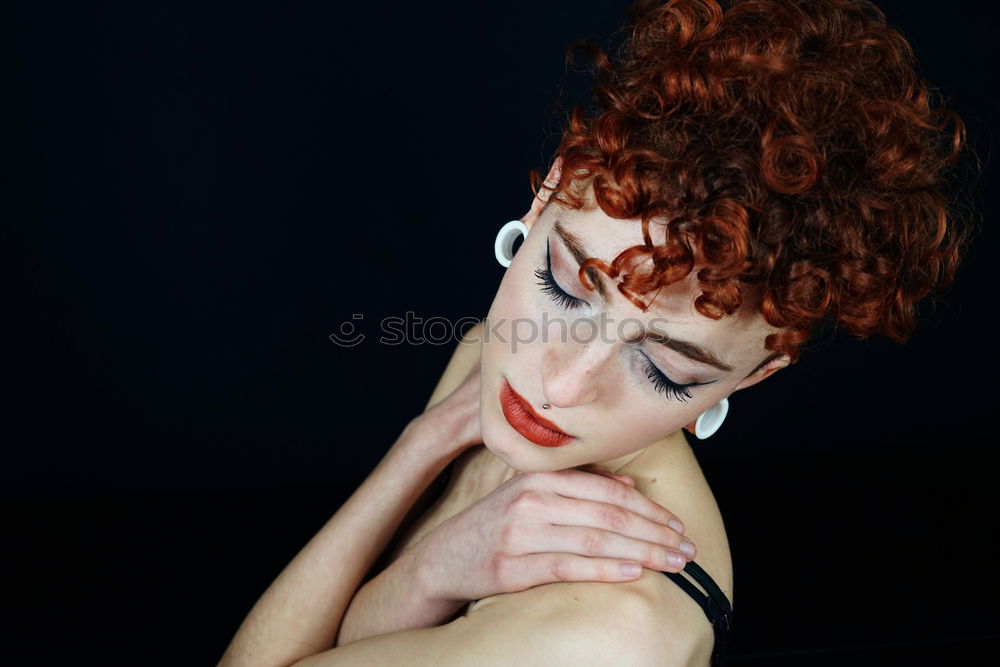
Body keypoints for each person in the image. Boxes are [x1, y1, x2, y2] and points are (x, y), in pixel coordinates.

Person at [219, 0, 972, 664]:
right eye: (568, 284)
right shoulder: (505, 346)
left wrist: (433, 568)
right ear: (551, 188)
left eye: (666, 369)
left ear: (753, 376)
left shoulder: (606, 640)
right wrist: (423, 458)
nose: (561, 382)